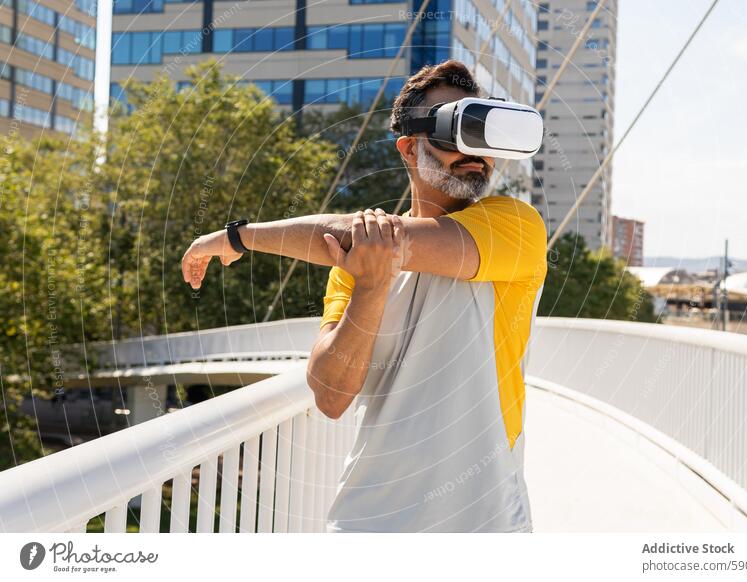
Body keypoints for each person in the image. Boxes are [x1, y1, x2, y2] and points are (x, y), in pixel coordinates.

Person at [181, 59, 548, 532]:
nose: (471, 149)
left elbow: (363, 237)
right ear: (409, 148)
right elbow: (331, 397)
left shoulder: (516, 226)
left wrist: (238, 237)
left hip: (485, 527)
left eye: (479, 131)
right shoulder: (352, 272)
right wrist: (371, 288)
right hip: (366, 526)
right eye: (451, 129)